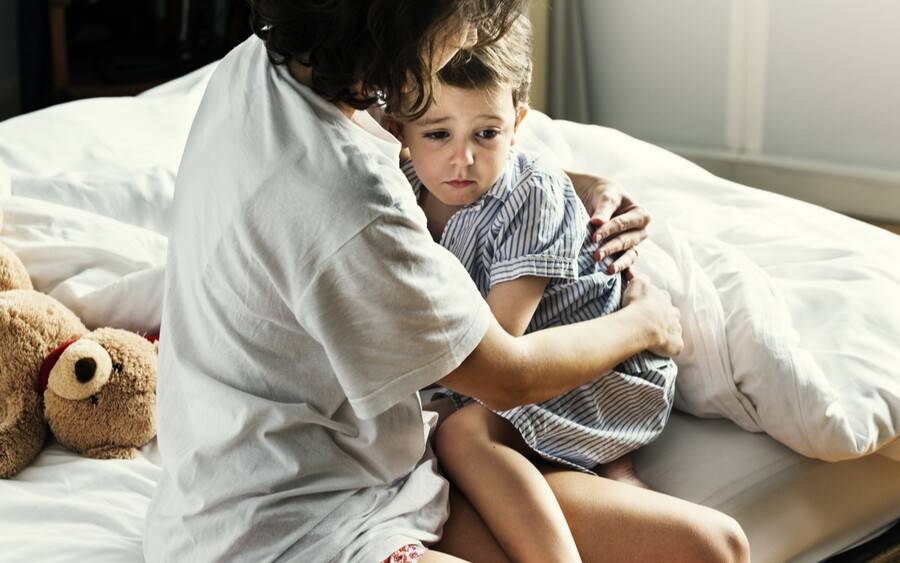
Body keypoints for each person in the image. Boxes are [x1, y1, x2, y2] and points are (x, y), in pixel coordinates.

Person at [143, 2, 749, 562]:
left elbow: (424, 150)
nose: (469, 36)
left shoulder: (259, 66)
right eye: (461, 17)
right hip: (295, 528)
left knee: (714, 547)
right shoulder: (348, 202)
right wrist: (643, 322)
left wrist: (570, 187)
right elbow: (507, 374)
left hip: (367, 475)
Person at [391, 15, 677, 562]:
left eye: (487, 133)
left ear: (517, 122)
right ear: (401, 131)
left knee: (458, 436)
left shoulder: (528, 194)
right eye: (436, 134)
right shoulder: (402, 189)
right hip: (511, 375)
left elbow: (498, 342)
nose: (463, 158)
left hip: (596, 372)